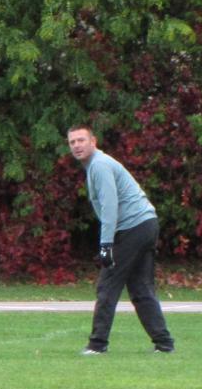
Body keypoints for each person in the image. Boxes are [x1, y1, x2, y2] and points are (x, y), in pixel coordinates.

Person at [66, 125, 175, 355]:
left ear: (93, 141)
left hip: (134, 227)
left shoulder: (99, 165)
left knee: (108, 285)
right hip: (146, 224)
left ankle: (97, 345)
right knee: (140, 287)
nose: (76, 145)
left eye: (81, 140)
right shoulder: (97, 165)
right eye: (72, 142)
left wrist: (106, 245)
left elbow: (110, 206)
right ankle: (164, 343)